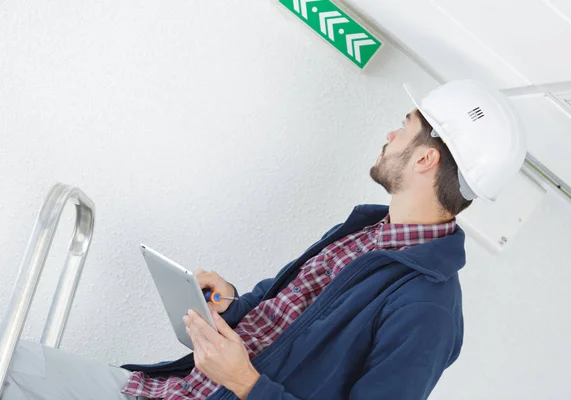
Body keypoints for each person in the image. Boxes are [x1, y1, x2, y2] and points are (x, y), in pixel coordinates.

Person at [1, 80, 526, 400]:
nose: (390, 134)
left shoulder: (427, 308)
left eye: (404, 126)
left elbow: (259, 377)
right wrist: (229, 304)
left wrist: (247, 385)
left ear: (425, 158)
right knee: (13, 364)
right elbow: (280, 321)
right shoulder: (366, 230)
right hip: (173, 390)